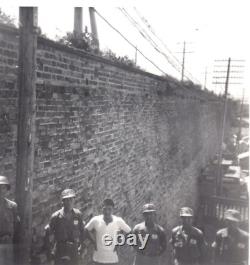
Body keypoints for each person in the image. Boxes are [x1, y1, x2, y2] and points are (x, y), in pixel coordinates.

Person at [85, 198, 131, 265]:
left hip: (112, 259)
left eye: (109, 209)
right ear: (102, 209)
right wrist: (94, 242)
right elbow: (86, 230)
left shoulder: (118, 221)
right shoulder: (96, 220)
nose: (107, 212)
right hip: (98, 258)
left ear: (113, 209)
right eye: (104, 209)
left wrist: (119, 243)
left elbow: (129, 232)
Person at [46, 188, 86, 265]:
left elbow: (82, 231)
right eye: (66, 200)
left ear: (74, 200)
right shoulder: (56, 216)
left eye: (71, 199)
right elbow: (48, 233)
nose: (69, 202)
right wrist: (49, 251)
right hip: (60, 249)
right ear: (62, 202)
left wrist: (82, 246)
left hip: (73, 248)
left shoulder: (78, 215)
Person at [0, 175, 20, 265]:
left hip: (7, 241)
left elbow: (16, 224)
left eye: (3, 188)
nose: (0, 190)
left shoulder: (12, 206)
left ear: (7, 189)